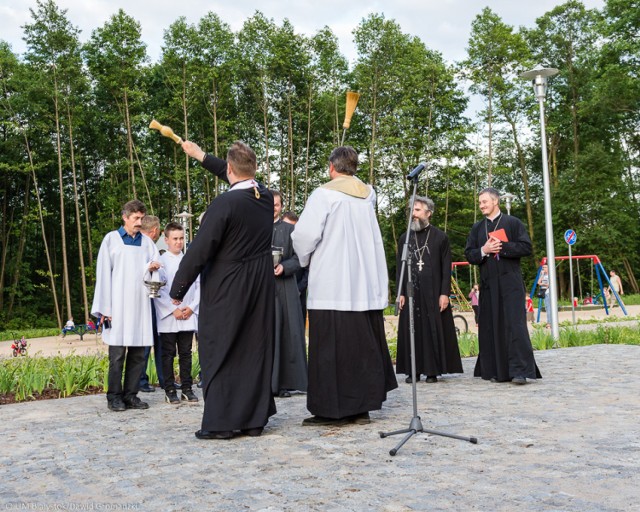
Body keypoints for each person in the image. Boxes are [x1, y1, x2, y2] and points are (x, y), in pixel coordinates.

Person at [171, 139, 276, 440]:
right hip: (260, 283)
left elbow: (200, 250)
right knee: (253, 347)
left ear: (230, 169)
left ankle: (221, 423)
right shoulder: (264, 197)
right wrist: (200, 156)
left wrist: (179, 287)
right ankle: (253, 420)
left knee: (220, 346)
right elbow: (237, 176)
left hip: (229, 283)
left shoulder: (223, 205)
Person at [292, 145, 397, 426]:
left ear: (331, 167)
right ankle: (361, 407)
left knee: (331, 350)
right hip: (363, 284)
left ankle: (332, 410)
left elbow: (303, 236)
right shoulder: (368, 195)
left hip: (333, 284)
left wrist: (304, 260)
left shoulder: (324, 195)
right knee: (361, 348)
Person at [464, 187, 541, 385]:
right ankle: (495, 371)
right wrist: (484, 249)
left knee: (515, 326)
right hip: (488, 286)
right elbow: (470, 254)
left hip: (510, 285)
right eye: (480, 202)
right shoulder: (477, 228)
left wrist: (502, 247)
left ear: (495, 201)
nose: (481, 205)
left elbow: (526, 247)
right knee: (491, 325)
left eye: (484, 202)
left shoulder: (513, 223)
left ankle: (519, 371)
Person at [91, 199, 161, 411]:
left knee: (139, 354)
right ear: (125, 218)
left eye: (141, 218)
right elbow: (103, 274)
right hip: (118, 306)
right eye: (136, 218)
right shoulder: (111, 240)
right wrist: (105, 309)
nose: (139, 222)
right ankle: (114, 396)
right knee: (118, 355)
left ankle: (131, 395)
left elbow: (156, 270)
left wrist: (153, 267)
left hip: (140, 305)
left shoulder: (147, 243)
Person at [396, 196, 463, 384]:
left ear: (428, 213)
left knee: (431, 329)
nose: (413, 215)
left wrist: (444, 293)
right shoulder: (404, 238)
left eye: (417, 210)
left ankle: (432, 371)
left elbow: (445, 268)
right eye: (411, 211)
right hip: (411, 291)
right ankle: (413, 370)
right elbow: (400, 267)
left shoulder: (440, 237)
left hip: (434, 292)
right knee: (412, 329)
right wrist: (399, 293)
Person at [155, 222, 199, 405]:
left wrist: (191, 307)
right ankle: (170, 389)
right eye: (175, 239)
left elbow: (198, 286)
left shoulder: (191, 259)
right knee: (168, 353)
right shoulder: (161, 262)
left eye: (181, 238)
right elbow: (158, 289)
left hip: (188, 313)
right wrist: (172, 309)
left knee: (186, 353)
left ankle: (187, 388)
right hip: (169, 316)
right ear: (166, 240)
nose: (179, 242)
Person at [271, 192, 307, 398]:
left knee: (287, 332)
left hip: (285, 286)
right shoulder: (255, 228)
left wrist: (284, 267)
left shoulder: (291, 230)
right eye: (270, 204)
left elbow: (299, 258)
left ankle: (285, 382)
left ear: (281, 206)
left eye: (276, 205)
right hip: (262, 287)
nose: (273, 208)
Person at [138, 215, 164, 393]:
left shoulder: (143, 244)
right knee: (148, 342)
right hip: (145, 299)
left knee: (156, 341)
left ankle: (159, 379)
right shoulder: (144, 246)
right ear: (155, 231)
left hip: (153, 299)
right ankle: (143, 380)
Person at [283, 211, 309, 325]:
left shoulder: (304, 244)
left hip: (298, 293)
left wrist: (298, 289)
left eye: (293, 227)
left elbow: (309, 271)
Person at [537, 264, 552, 328]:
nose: (543, 269)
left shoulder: (550, 275)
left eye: (545, 267)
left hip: (548, 292)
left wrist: (543, 284)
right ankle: (550, 322)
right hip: (544, 292)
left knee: (548, 308)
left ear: (548, 268)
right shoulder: (543, 275)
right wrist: (542, 274)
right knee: (546, 307)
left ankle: (549, 323)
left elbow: (549, 284)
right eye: (543, 268)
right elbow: (538, 282)